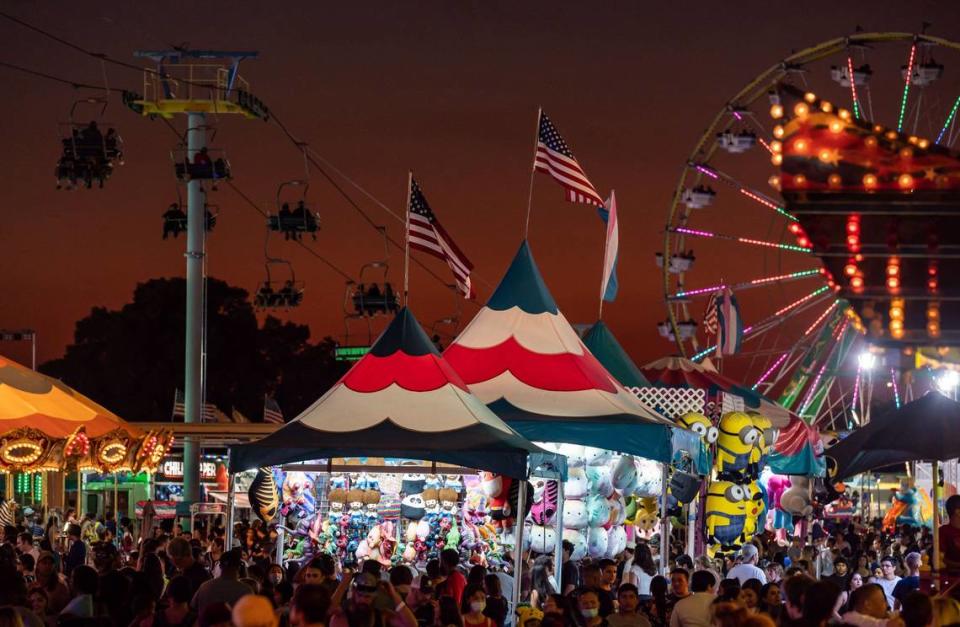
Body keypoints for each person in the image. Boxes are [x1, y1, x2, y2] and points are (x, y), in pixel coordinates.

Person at [191, 548, 252, 613]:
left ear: (220, 566)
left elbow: (193, 607)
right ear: (239, 567)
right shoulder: (245, 590)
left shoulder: (205, 587)